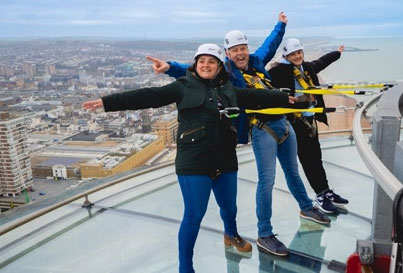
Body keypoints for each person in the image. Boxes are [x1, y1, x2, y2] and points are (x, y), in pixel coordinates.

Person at [82, 44, 296, 273]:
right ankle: (186, 267)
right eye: (202, 61)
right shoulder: (184, 86)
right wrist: (107, 103)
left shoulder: (229, 88)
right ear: (195, 64)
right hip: (194, 163)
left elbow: (255, 96)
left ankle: (231, 235)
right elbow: (148, 96)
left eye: (211, 61)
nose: (206, 65)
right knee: (194, 215)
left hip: (224, 159)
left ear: (219, 66)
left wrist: (284, 98)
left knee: (230, 208)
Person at [147, 12, 330, 257]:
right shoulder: (226, 74)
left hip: (283, 124)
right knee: (267, 180)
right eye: (235, 50)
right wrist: (170, 67)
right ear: (227, 54)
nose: (240, 53)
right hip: (261, 128)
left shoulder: (256, 60)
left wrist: (281, 25)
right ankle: (265, 233)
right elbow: (195, 70)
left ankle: (306, 207)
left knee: (293, 171)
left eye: (243, 47)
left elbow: (270, 44)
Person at [268, 38, 349, 214]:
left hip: (310, 119)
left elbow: (322, 61)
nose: (297, 56)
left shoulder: (307, 68)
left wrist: (337, 54)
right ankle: (320, 196)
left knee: (316, 156)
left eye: (299, 53)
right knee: (307, 159)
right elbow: (265, 84)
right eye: (293, 54)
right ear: (286, 56)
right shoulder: (279, 72)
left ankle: (326, 191)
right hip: (295, 122)